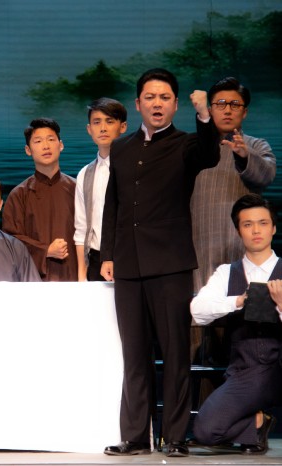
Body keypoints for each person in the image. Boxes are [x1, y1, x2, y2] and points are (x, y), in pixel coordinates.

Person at [100, 68, 220, 458]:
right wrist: (108, 253)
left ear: (175, 104)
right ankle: (136, 436)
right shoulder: (121, 148)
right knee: (134, 355)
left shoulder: (187, 144)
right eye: (150, 97)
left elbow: (210, 153)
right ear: (138, 104)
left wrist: (204, 115)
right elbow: (113, 203)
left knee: (175, 354)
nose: (157, 103)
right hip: (129, 264)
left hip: (170, 263)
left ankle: (175, 436)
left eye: (165, 97)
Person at [190, 194, 282, 461]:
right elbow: (198, 311)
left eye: (262, 223)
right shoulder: (226, 273)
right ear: (238, 231)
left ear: (273, 228)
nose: (256, 230)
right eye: (247, 224)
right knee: (205, 431)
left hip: (281, 371)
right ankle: (257, 424)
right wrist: (238, 301)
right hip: (244, 373)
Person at [191, 76, 276, 294]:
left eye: (235, 104)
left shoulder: (256, 145)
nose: (227, 110)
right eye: (221, 104)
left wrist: (245, 154)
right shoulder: (192, 147)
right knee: (200, 307)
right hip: (198, 245)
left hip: (241, 246)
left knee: (242, 306)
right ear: (210, 109)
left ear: (244, 112)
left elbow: (266, 176)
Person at [2, 118, 78, 282]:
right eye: (38, 141)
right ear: (28, 150)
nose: (46, 146)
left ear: (61, 145)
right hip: (34, 280)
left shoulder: (78, 189)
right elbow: (10, 240)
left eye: (51, 139)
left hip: (75, 276)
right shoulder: (19, 194)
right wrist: (45, 250)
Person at [74, 97, 128, 282]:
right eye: (97, 122)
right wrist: (82, 275)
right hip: (96, 259)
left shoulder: (134, 168)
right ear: (89, 129)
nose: (103, 128)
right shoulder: (85, 174)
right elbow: (81, 228)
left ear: (123, 126)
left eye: (109, 121)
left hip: (129, 257)